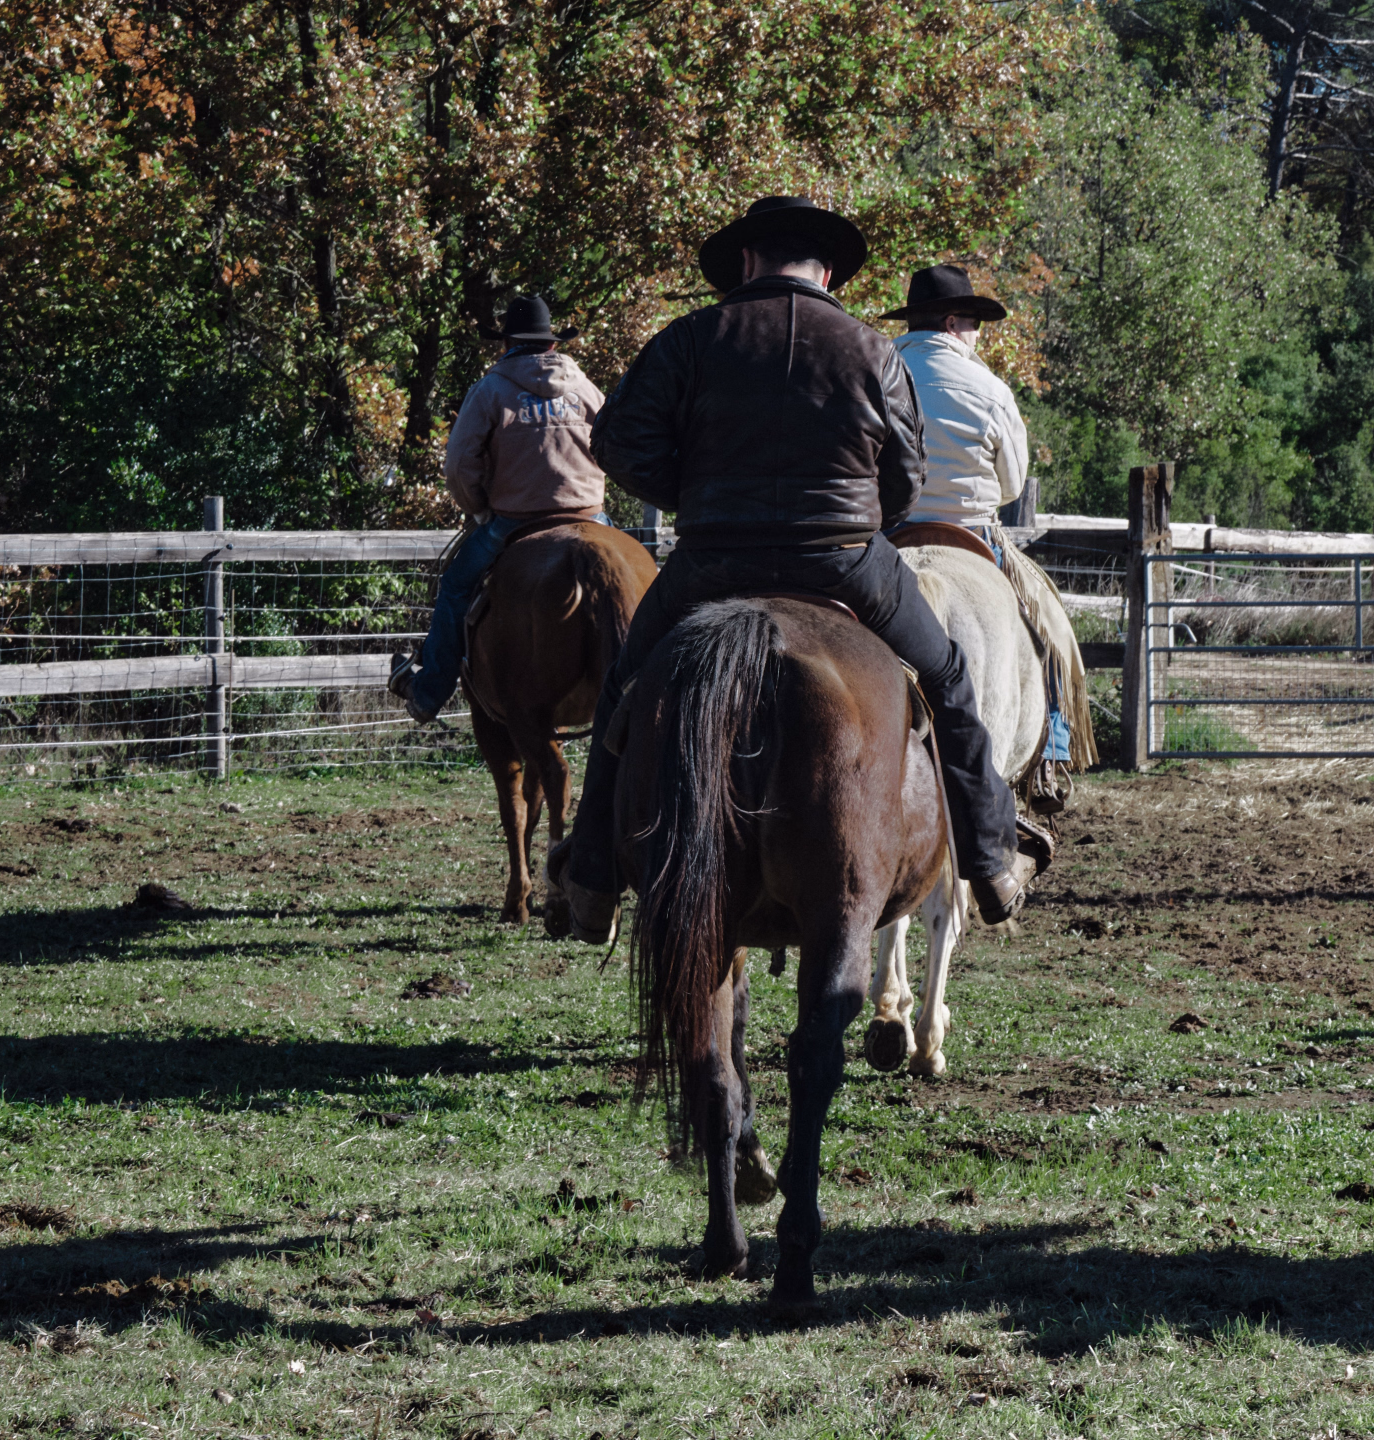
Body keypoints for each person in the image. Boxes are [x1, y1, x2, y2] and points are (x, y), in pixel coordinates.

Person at [545, 196, 1043, 945]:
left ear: (745, 261)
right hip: (844, 560)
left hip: (714, 556)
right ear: (831, 270)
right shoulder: (872, 349)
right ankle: (991, 859)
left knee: (626, 685)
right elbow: (904, 477)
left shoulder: (689, 338)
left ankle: (590, 881)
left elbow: (618, 443)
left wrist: (695, 495)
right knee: (946, 677)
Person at [885, 264, 1098, 809]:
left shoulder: (879, 368)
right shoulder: (990, 387)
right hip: (974, 532)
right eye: (975, 322)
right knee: (1050, 632)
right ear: (955, 322)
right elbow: (1011, 483)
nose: (978, 335)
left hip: (886, 538)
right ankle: (1050, 754)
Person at [388, 295, 610, 723]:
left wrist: (479, 510)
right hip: (589, 516)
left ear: (506, 341)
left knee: (455, 587)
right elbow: (614, 443)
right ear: (551, 343)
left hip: (514, 520)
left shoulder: (491, 389)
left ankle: (429, 691)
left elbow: (459, 463)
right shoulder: (585, 387)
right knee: (647, 580)